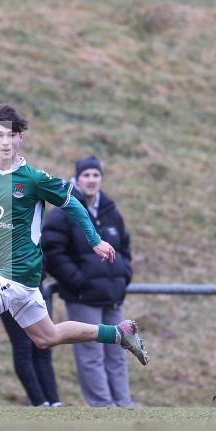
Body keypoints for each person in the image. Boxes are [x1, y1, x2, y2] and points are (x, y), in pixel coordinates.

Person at [0, 104, 147, 402]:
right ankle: (118, 333)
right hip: (13, 277)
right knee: (46, 338)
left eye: (12, 135)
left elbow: (72, 203)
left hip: (17, 271)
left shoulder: (34, 179)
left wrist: (95, 240)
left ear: (20, 138)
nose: (6, 142)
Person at [43, 156, 135, 407]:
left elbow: (124, 247)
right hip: (83, 297)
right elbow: (52, 251)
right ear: (77, 178)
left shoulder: (110, 210)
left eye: (96, 175)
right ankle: (103, 406)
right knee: (91, 354)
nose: (92, 180)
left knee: (119, 350)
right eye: (87, 175)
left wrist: (123, 274)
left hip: (112, 295)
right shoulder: (65, 209)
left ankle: (123, 404)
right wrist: (78, 281)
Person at [0, 215, 61, 407]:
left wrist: (35, 267)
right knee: (23, 346)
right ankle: (39, 403)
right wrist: (6, 264)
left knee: (44, 344)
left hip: (33, 286)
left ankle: (54, 402)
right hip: (4, 289)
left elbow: (42, 248)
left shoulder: (29, 208)